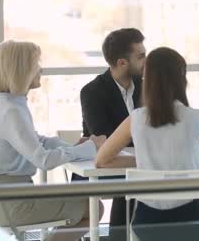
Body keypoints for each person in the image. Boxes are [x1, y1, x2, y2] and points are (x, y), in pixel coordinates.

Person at [95, 47, 199, 241]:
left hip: (148, 225)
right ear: (181, 79)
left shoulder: (135, 119)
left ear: (148, 80)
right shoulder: (197, 118)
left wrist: (144, 161)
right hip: (192, 221)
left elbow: (101, 160)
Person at [0, 40, 105, 241]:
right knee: (94, 207)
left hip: (3, 201)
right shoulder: (11, 110)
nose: (40, 69)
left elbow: (38, 141)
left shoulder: (4, 104)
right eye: (35, 64)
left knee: (89, 204)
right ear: (21, 70)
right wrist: (91, 147)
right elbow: (44, 161)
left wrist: (74, 147)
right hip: (14, 205)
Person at [79, 27, 146, 239]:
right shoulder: (92, 92)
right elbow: (103, 137)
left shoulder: (149, 87)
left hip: (143, 165)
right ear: (121, 63)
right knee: (130, 182)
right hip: (108, 166)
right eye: (141, 56)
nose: (146, 61)